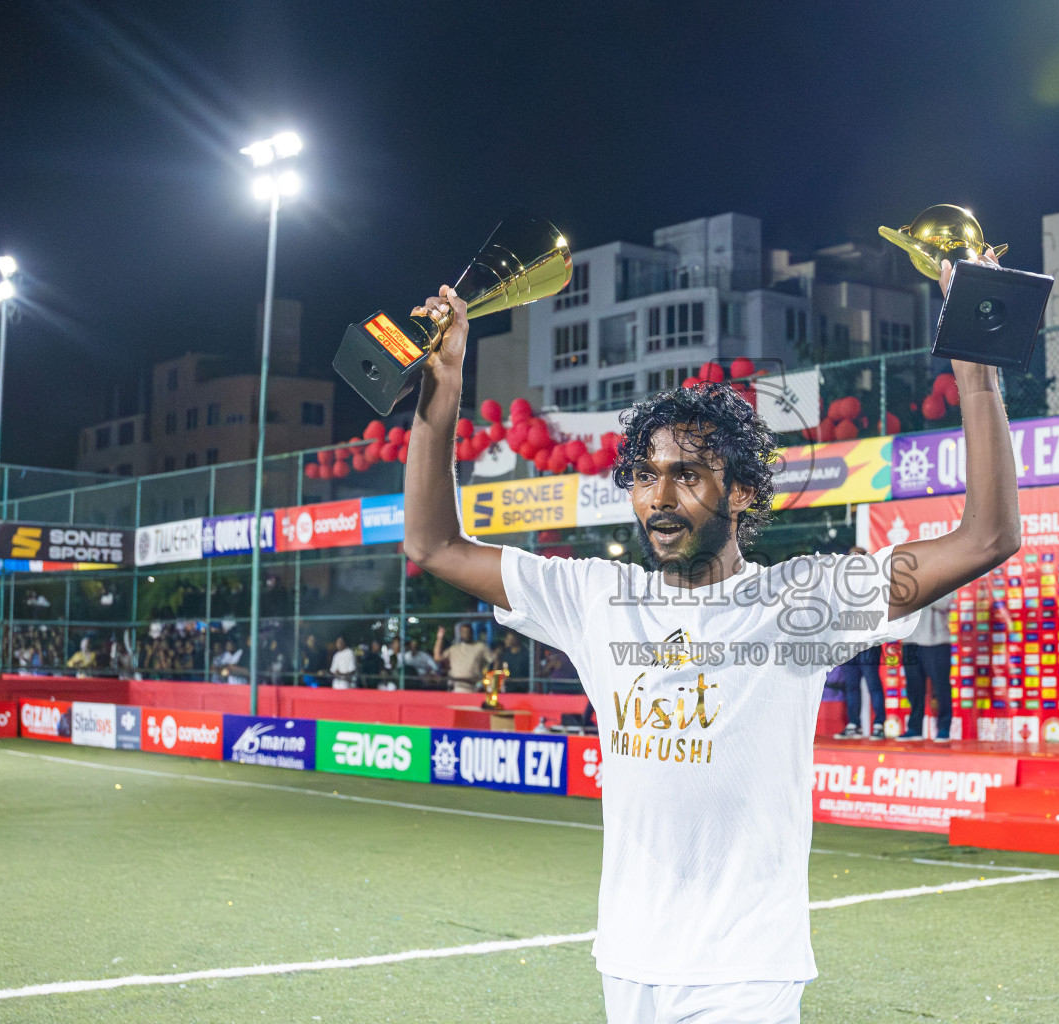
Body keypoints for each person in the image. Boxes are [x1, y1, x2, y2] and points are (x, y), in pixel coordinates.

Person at [401, 250, 1019, 1023]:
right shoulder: (593, 596)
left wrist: (975, 363)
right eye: (645, 474)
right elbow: (434, 545)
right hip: (627, 963)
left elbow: (987, 535)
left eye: (688, 474)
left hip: (742, 971)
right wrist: (445, 383)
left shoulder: (800, 601)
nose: (659, 496)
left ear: (745, 491)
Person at [833, 547, 887, 740]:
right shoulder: (842, 584)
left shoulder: (875, 583)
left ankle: (879, 724)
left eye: (857, 560)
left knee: (872, 682)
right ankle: (853, 724)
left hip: (868, 642)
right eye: (850, 560)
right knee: (851, 685)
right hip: (848, 642)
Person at [901, 591, 956, 741]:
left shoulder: (945, 580)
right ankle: (914, 728)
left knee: (941, 687)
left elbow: (943, 603)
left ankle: (944, 728)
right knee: (914, 688)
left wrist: (921, 591)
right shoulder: (908, 581)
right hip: (910, 642)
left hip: (936, 641)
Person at [435, 623, 491, 694]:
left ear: (472, 633)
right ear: (460, 633)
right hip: (456, 687)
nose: (466, 634)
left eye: (467, 632)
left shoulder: (481, 647)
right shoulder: (454, 649)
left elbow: (493, 661)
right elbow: (437, 658)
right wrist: (440, 638)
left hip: (475, 688)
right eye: (463, 632)